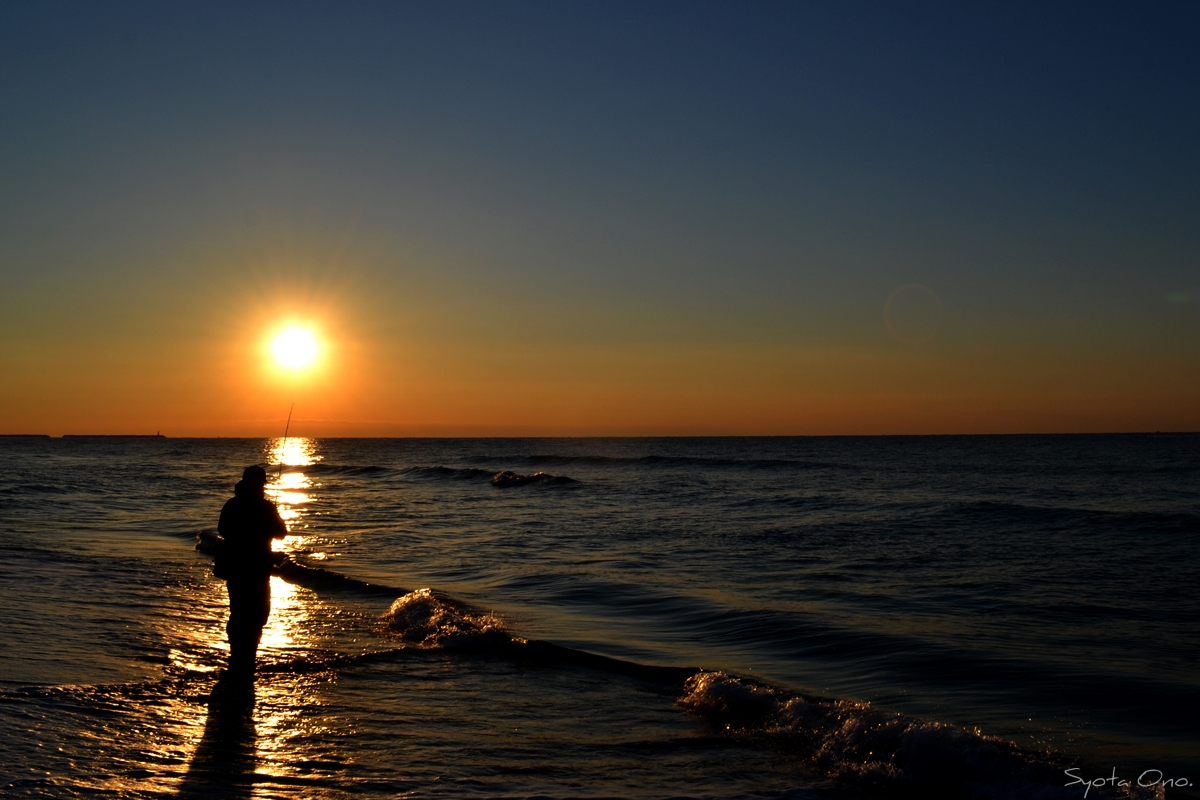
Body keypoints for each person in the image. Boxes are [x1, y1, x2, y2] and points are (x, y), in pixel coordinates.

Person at [217, 465, 287, 678]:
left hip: (238, 568)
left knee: (240, 613)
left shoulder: (231, 505)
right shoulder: (266, 507)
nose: (262, 488)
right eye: (260, 484)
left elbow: (222, 529)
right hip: (256, 569)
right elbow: (282, 532)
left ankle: (239, 657)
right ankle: (245, 659)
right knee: (256, 613)